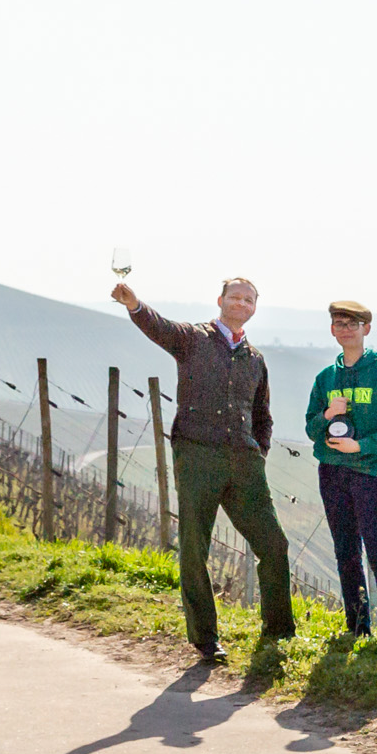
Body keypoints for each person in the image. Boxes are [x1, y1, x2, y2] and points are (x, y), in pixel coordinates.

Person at [110, 276, 296, 658]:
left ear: (254, 308)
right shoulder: (193, 338)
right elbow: (158, 328)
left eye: (249, 299)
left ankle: (278, 633)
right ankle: (206, 638)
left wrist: (258, 451)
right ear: (220, 300)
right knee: (195, 547)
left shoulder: (256, 359)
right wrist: (134, 305)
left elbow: (263, 415)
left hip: (244, 462)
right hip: (197, 456)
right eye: (235, 297)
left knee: (274, 544)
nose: (241, 303)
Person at [302, 301, 377, 642]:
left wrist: (361, 446)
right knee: (346, 552)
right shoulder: (326, 379)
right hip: (332, 474)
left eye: (353, 323)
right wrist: (326, 417)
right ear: (332, 330)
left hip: (370, 474)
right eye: (339, 323)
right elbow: (310, 428)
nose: (346, 329)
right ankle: (358, 626)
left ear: (367, 328)